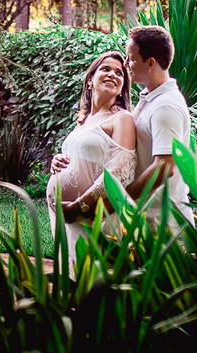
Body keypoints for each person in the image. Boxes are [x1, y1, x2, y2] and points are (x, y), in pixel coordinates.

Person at [46, 51, 137, 263]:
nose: (113, 75)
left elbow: (121, 171)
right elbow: (81, 157)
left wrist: (79, 207)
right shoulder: (85, 120)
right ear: (90, 80)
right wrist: (57, 161)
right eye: (105, 69)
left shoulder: (122, 118)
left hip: (92, 217)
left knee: (92, 281)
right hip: (66, 219)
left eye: (119, 73)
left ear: (123, 87)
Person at [124, 24, 194, 226]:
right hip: (147, 220)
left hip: (165, 225)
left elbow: (164, 167)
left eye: (132, 58)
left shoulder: (166, 106)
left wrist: (123, 197)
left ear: (150, 63)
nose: (127, 63)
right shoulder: (151, 96)